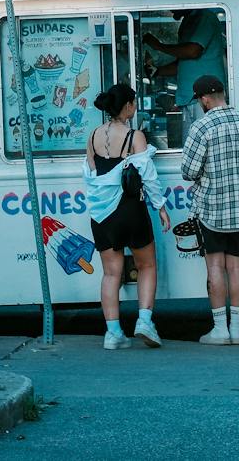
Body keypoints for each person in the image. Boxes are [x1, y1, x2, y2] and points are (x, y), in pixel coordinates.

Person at [84, 84, 172, 350]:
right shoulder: (136, 136)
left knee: (111, 274)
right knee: (146, 266)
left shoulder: (92, 136)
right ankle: (144, 321)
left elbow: (90, 172)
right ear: (129, 106)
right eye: (133, 103)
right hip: (130, 209)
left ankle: (113, 333)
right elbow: (149, 176)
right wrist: (161, 208)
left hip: (102, 215)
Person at [181, 75, 239, 344]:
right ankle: (238, 330)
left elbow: (189, 170)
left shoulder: (201, 127)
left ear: (204, 99)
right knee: (236, 268)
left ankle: (219, 330)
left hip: (212, 209)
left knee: (215, 268)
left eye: (199, 100)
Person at [144, 9, 228, 106]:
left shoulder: (205, 17)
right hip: (189, 98)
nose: (171, 10)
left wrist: (159, 46)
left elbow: (193, 51)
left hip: (206, 98)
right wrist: (157, 71)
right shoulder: (188, 21)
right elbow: (182, 64)